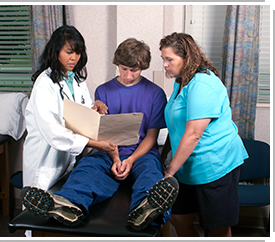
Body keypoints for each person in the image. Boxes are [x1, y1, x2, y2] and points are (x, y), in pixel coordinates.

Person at [21, 38, 179, 231]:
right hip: (107, 151)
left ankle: (145, 207)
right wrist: (115, 158)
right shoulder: (103, 91)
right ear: (117, 65)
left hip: (142, 154)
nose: (128, 75)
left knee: (150, 173)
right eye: (123, 69)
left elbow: (151, 137)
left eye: (135, 70)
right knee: (87, 168)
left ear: (143, 67)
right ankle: (68, 204)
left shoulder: (155, 93)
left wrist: (129, 161)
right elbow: (102, 132)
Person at [159, 32, 249, 237]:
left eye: (169, 59)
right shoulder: (181, 82)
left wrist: (170, 172)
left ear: (186, 58)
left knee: (217, 226)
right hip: (189, 166)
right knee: (179, 218)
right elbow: (176, 126)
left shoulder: (203, 84)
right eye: (163, 59)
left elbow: (192, 135)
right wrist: (165, 158)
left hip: (216, 165)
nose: (165, 64)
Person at [23, 25, 116, 191]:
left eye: (78, 53)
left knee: (63, 204)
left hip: (68, 159)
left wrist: (94, 107)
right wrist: (95, 144)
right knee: (38, 210)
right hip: (45, 160)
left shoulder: (77, 81)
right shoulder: (44, 84)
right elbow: (53, 131)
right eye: (69, 52)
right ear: (56, 51)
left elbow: (81, 114)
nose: (74, 58)